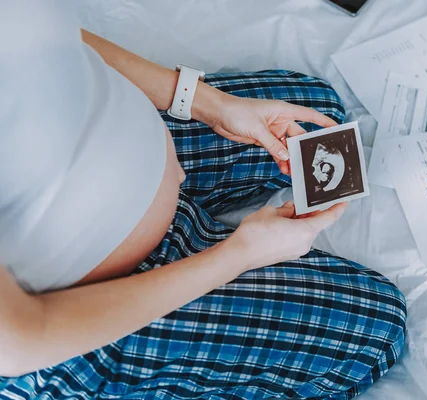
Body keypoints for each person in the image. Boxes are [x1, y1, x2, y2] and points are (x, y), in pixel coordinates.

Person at [0, 2, 406, 399]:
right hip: (78, 313)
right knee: (377, 326)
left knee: (319, 110)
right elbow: (20, 340)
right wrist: (238, 255)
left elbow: (57, 42)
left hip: (99, 141)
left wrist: (208, 103)